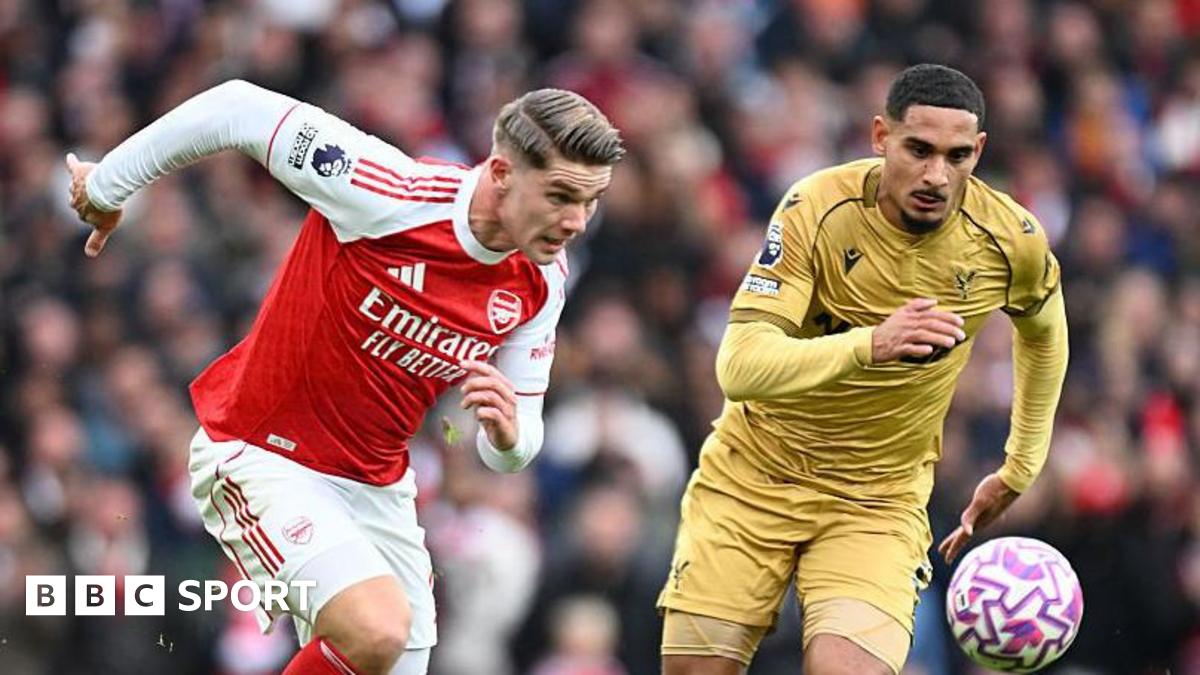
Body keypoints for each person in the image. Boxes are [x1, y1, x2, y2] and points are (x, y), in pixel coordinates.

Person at [65, 79, 623, 675]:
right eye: (562, 195)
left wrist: (509, 436)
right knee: (376, 628)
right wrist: (107, 185)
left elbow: (510, 451)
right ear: (502, 172)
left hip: (377, 490)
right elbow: (236, 107)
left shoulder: (541, 284)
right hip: (264, 455)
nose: (576, 221)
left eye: (591, 201)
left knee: (394, 656)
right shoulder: (388, 192)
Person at [656, 64, 1068, 675]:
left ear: (978, 151)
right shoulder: (815, 208)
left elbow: (1045, 334)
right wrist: (869, 344)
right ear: (881, 137)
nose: (937, 175)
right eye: (918, 150)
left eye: (957, 156)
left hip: (875, 502)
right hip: (754, 475)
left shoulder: (1012, 240)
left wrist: (1021, 465)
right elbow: (739, 366)